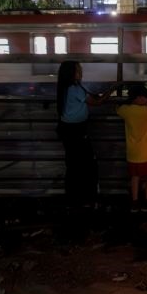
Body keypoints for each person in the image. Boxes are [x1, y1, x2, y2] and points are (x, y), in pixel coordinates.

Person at [56, 60, 115, 208]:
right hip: (76, 131)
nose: (81, 72)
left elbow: (90, 97)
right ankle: (87, 198)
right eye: (78, 70)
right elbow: (98, 102)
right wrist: (112, 90)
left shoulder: (65, 88)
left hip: (67, 130)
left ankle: (73, 198)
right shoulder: (75, 89)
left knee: (73, 164)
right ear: (71, 73)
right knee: (87, 164)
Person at [116, 84, 147, 213]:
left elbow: (117, 109)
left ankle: (135, 203)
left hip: (132, 153)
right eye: (145, 97)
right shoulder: (146, 111)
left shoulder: (125, 110)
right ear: (138, 97)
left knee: (135, 177)